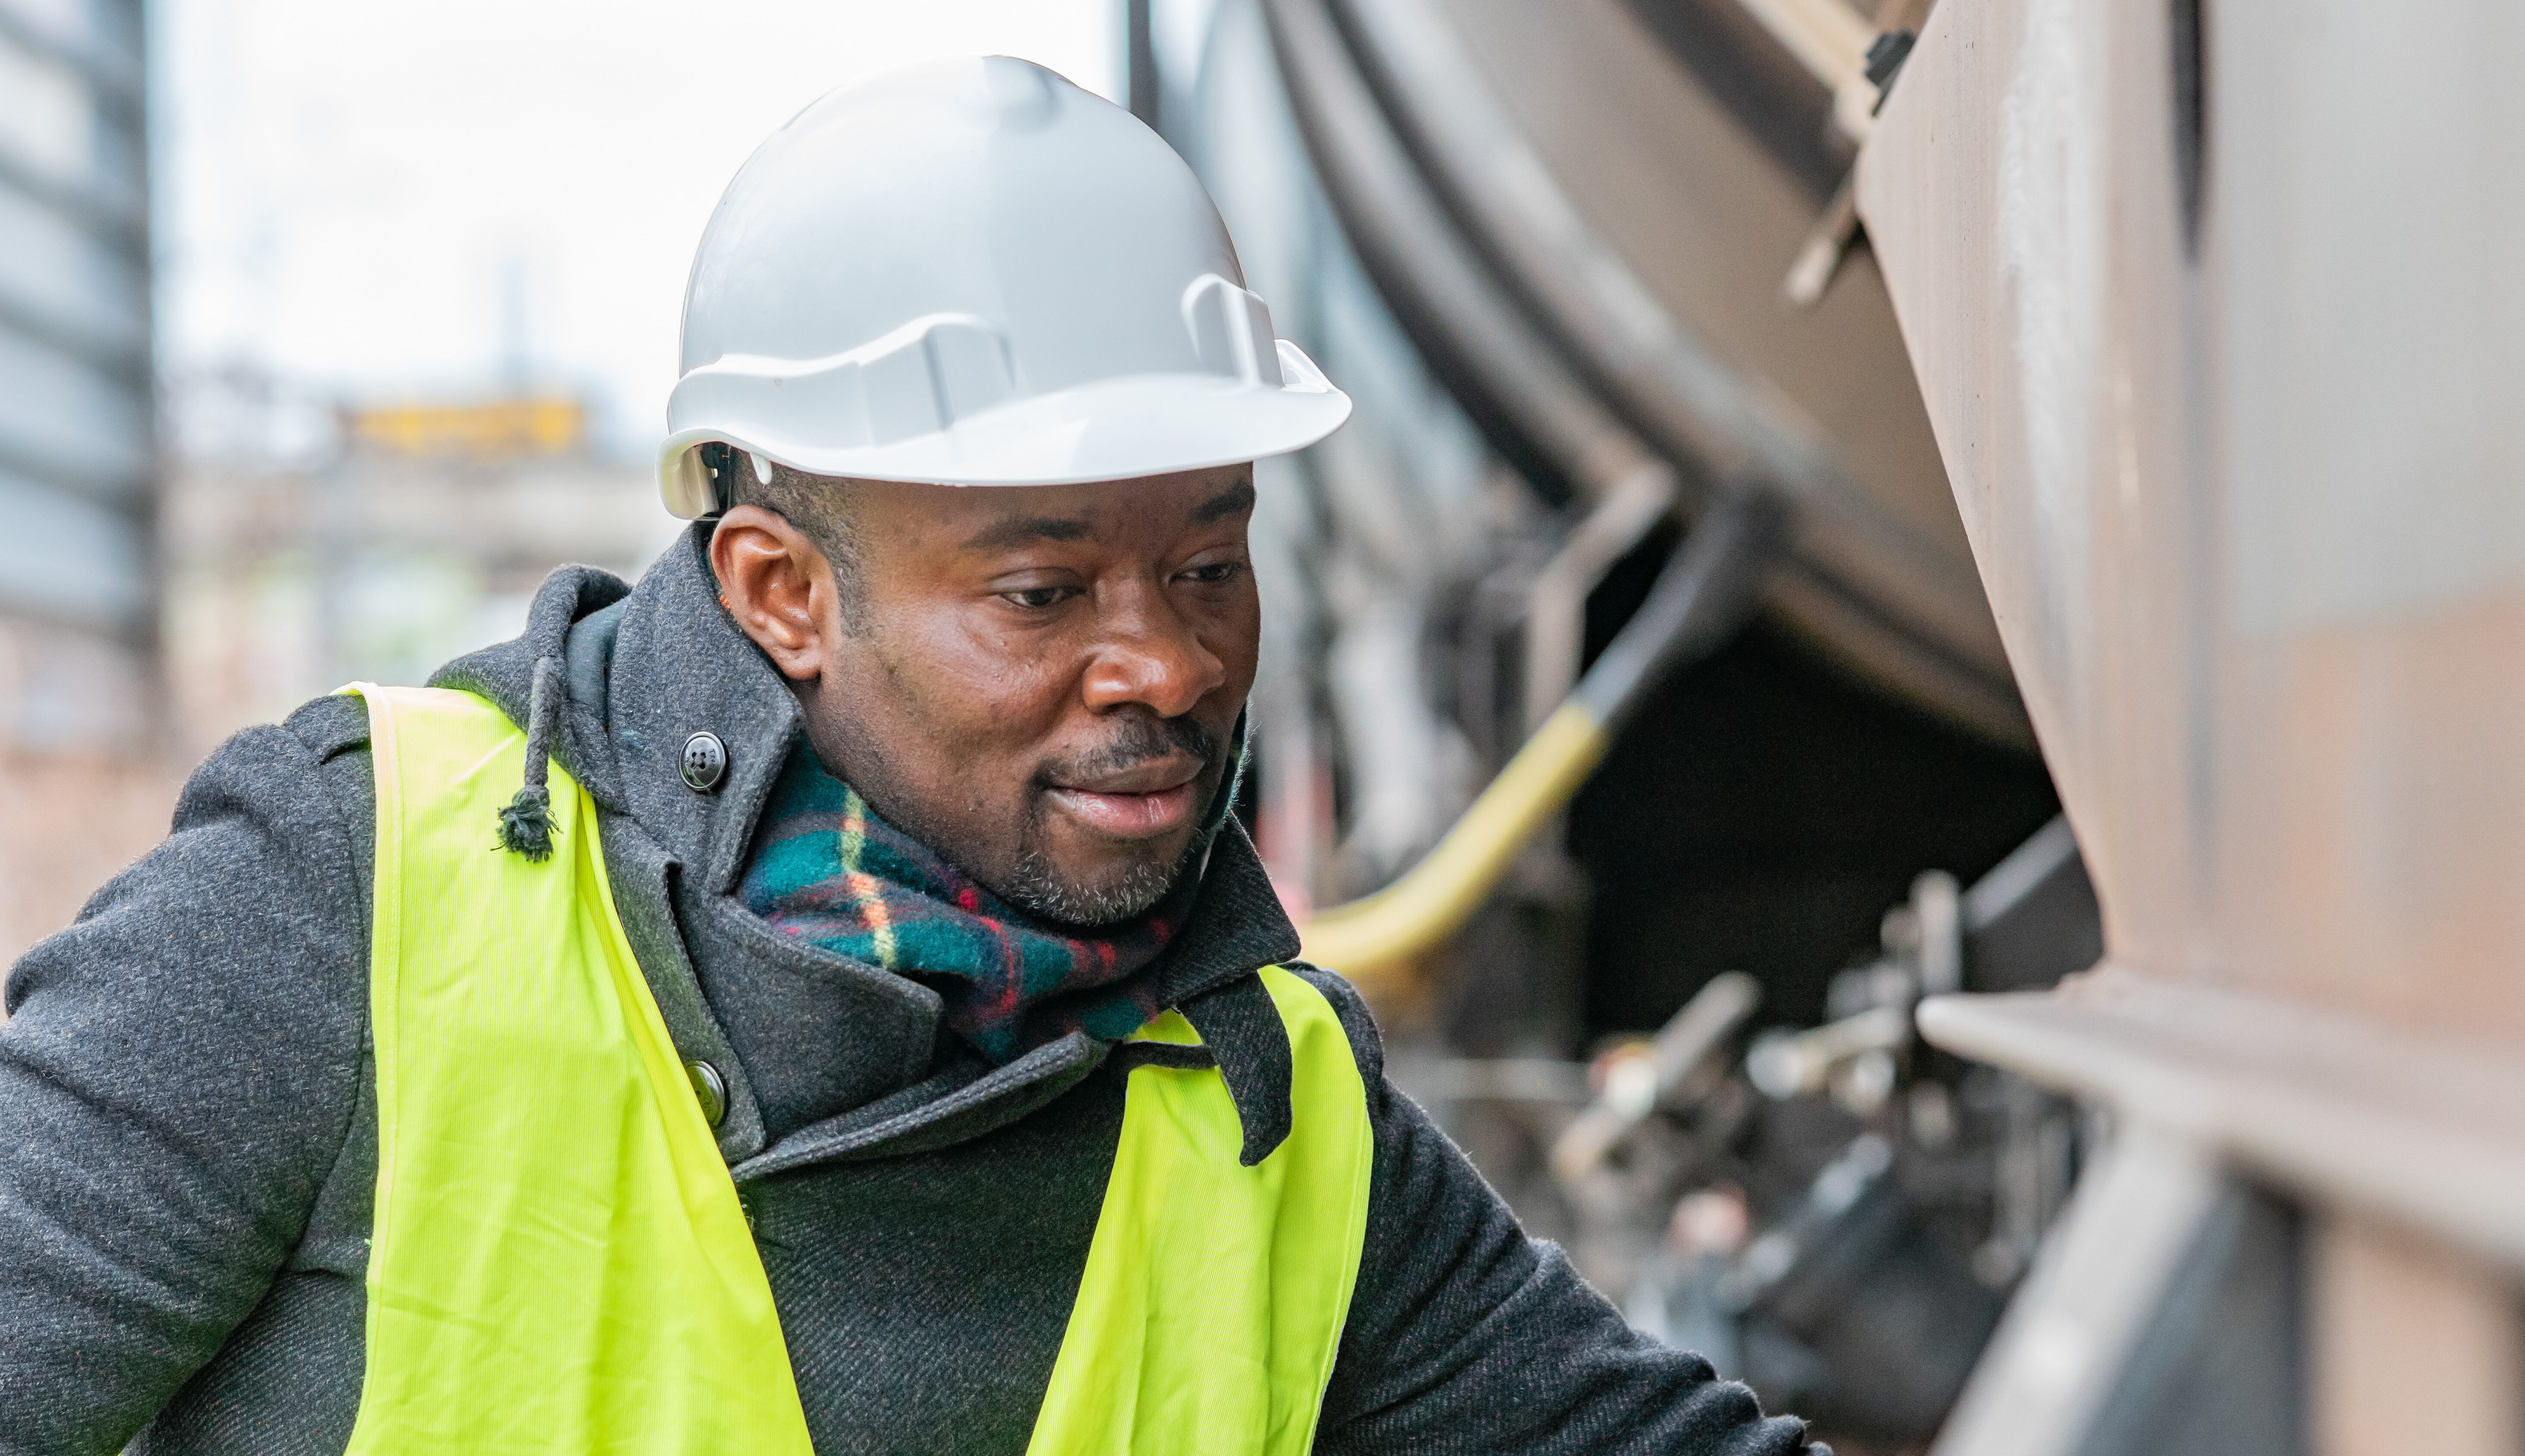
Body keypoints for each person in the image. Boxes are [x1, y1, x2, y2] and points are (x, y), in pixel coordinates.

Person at [0, 58, 1823, 1455]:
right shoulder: (351, 902)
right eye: (1043, 590)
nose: (1171, 661)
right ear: (782, 590)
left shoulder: (1274, 1118)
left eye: (1209, 561)